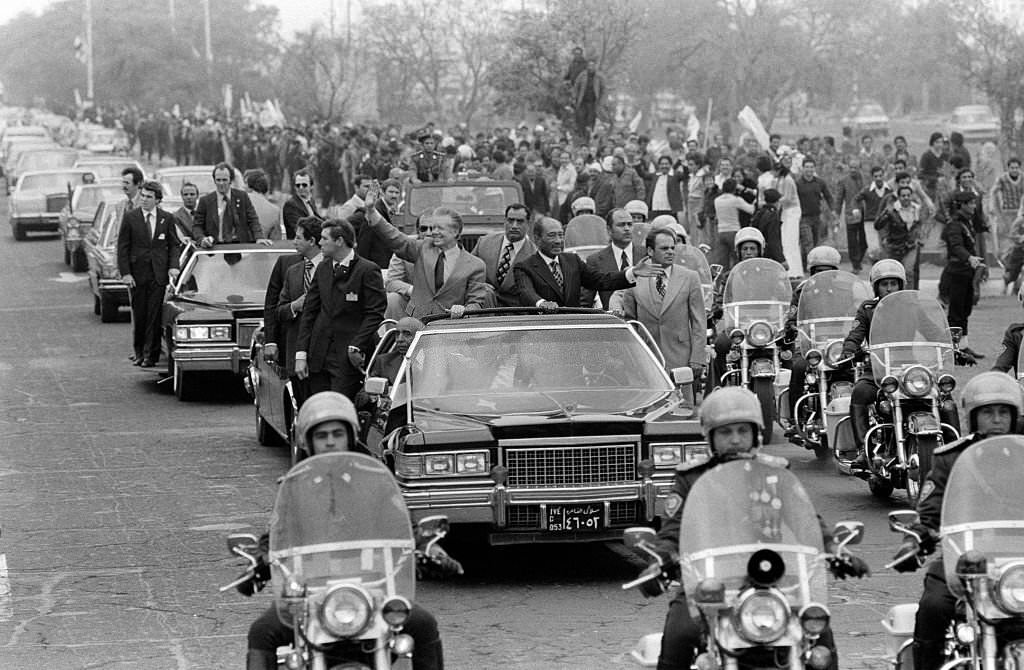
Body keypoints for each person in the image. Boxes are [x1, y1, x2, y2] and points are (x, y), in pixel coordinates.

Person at [636, 386, 867, 670]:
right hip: (708, 583)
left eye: (742, 431)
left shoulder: (776, 473)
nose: (735, 440)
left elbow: (806, 521)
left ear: (755, 434)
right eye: (725, 432)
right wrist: (659, 559)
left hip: (772, 577)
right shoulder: (692, 478)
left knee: (817, 631)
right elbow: (674, 530)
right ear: (710, 437)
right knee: (680, 631)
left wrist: (833, 548)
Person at [241, 391, 446, 670]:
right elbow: (278, 534)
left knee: (423, 625)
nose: (330, 442)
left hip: (373, 591)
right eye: (321, 436)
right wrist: (260, 560)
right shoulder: (294, 488)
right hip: (309, 597)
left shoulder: (375, 482)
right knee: (262, 632)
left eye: (337, 434)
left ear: (350, 436)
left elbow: (403, 528)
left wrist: (427, 547)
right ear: (309, 442)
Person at [890, 372, 1022, 670]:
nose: (997, 420)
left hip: (1019, 559)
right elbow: (931, 509)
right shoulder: (952, 458)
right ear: (973, 417)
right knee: (933, 607)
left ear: (1015, 416)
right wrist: (917, 537)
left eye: (1003, 412)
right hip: (966, 560)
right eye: (988, 412)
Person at [294, 220, 386, 400]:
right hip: (319, 358)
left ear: (339, 241)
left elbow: (375, 313)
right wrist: (301, 354)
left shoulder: (367, 270)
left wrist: (357, 344)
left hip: (348, 360)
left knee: (339, 409)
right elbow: (309, 313)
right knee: (319, 409)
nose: (319, 243)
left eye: (324, 238)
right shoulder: (323, 268)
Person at [364, 186, 489, 318]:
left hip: (450, 325)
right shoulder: (423, 248)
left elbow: (476, 303)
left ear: (456, 232)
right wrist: (372, 211)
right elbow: (395, 238)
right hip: (417, 321)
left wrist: (463, 310)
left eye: (440, 228)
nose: (433, 232)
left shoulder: (475, 265)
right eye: (433, 227)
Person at [610, 228, 705, 382]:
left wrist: (697, 358)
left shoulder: (690, 277)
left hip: (681, 357)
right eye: (664, 248)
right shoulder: (635, 277)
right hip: (646, 358)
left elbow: (699, 322)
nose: (670, 252)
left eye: (672, 248)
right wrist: (632, 355)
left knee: (683, 405)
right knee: (651, 404)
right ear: (650, 251)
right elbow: (630, 320)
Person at [840, 259, 906, 468]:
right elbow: (856, 334)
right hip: (878, 369)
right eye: (884, 284)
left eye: (893, 284)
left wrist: (953, 348)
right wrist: (849, 350)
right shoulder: (868, 309)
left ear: (901, 285)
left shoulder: (913, 307)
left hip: (910, 368)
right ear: (876, 287)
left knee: (942, 395)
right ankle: (862, 450)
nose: (889, 288)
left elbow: (933, 331)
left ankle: (951, 449)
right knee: (859, 391)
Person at [514, 216, 662, 308]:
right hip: (542, 331)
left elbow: (601, 280)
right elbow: (527, 293)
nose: (558, 241)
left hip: (572, 332)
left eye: (561, 235)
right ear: (537, 238)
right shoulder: (524, 267)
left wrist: (632, 272)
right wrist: (542, 304)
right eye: (552, 236)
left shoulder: (572, 261)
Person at [116, 181, 180, 367]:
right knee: (140, 314)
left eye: (148, 197)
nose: (144, 199)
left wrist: (172, 266)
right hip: (137, 275)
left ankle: (150, 355)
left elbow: (174, 245)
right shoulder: (131, 218)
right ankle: (139, 352)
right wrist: (126, 273)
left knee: (154, 315)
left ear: (157, 200)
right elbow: (123, 247)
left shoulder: (166, 218)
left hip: (158, 275)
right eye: (142, 196)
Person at [785, 246, 844, 426]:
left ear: (834, 273)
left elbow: (856, 317)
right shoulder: (802, 292)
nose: (822, 276)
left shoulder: (845, 291)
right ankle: (796, 418)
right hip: (810, 346)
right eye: (818, 272)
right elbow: (792, 317)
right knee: (798, 368)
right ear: (812, 272)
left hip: (837, 347)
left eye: (827, 272)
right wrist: (792, 327)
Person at [708, 227, 768, 390]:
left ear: (760, 251)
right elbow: (721, 298)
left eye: (752, 249)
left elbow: (783, 295)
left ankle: (788, 398)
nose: (749, 252)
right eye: (745, 249)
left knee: (786, 352)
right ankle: (716, 389)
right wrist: (716, 309)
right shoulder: (730, 276)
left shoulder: (770, 274)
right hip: (738, 327)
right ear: (739, 252)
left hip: (766, 327)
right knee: (720, 344)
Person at [273, 217, 324, 407]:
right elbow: (279, 310)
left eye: (299, 237)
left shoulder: (331, 268)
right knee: (303, 407)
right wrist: (294, 306)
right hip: (296, 354)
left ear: (312, 241)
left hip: (323, 355)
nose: (294, 241)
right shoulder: (293, 272)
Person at [940, 191, 986, 358]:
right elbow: (956, 246)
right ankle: (953, 350)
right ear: (962, 205)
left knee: (965, 310)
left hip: (966, 272)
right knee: (956, 313)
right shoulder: (954, 224)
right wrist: (969, 258)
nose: (974, 206)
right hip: (956, 272)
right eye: (971, 203)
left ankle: (963, 347)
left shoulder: (967, 221)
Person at [473, 203, 537, 307]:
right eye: (510, 220)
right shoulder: (484, 243)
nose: (514, 226)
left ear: (529, 224)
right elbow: (470, 273)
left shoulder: (534, 255)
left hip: (515, 313)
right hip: (483, 309)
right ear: (505, 221)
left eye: (520, 222)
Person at [192, 163, 266, 246]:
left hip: (239, 248)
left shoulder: (242, 197)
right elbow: (197, 226)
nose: (221, 183)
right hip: (214, 250)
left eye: (224, 180)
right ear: (214, 180)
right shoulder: (205, 201)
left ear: (230, 180)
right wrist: (202, 239)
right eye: (218, 180)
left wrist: (259, 237)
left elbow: (253, 219)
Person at [585, 208, 640, 309]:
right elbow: (585, 302)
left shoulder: (646, 256)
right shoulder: (595, 261)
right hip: (612, 321)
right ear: (609, 230)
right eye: (621, 225)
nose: (627, 228)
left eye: (630, 224)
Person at [874, 186, 923, 289]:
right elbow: (878, 225)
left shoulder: (917, 209)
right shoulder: (892, 210)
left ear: (912, 196)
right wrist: (886, 212)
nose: (906, 198)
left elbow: (921, 226)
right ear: (899, 197)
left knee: (909, 271)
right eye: (903, 195)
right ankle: (894, 297)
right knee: (893, 274)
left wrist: (919, 238)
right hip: (894, 246)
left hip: (911, 246)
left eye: (908, 195)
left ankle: (909, 297)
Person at [795, 157, 834, 265]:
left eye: (811, 167)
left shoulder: (820, 182)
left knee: (816, 242)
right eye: (807, 167)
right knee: (808, 241)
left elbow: (829, 197)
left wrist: (833, 210)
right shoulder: (798, 184)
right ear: (802, 168)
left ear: (814, 168)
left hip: (817, 217)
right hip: (804, 218)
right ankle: (811, 266)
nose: (809, 169)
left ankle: (804, 262)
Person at [712, 178, 754, 271]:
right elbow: (751, 210)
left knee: (723, 262)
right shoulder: (735, 200)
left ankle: (723, 281)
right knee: (736, 260)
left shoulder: (717, 200)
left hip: (721, 231)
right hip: (733, 231)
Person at [282, 168, 322, 240]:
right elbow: (300, 229)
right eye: (298, 185)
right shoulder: (291, 205)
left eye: (304, 185)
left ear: (311, 186)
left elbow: (317, 220)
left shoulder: (310, 201)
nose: (300, 188)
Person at [749, 188, 785, 265]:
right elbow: (773, 239)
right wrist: (781, 259)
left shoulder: (760, 212)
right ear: (777, 202)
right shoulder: (773, 215)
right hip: (768, 254)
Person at [645, 155, 685, 224]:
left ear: (671, 165)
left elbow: (685, 175)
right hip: (656, 208)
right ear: (659, 165)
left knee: (671, 228)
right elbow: (643, 175)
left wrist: (683, 164)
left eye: (666, 164)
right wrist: (636, 163)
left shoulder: (675, 175)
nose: (664, 166)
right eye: (662, 164)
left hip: (669, 209)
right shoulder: (656, 174)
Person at [244, 169, 281, 240]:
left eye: (245, 183)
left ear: (249, 185)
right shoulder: (275, 211)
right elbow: (276, 242)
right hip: (262, 248)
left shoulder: (241, 200)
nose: (243, 186)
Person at [573, 59, 605, 140]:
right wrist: (574, 97)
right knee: (580, 118)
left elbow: (603, 90)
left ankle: (589, 137)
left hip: (593, 102)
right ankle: (581, 135)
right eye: (589, 65)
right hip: (582, 101)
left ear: (595, 66)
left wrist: (601, 101)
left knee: (591, 120)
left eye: (592, 65)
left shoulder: (599, 76)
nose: (591, 67)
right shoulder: (582, 75)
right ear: (587, 66)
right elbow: (576, 86)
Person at [171, 182, 200, 247]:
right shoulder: (176, 216)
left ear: (197, 196)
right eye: (185, 194)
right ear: (182, 196)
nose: (189, 197)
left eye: (192, 194)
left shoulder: (204, 212)